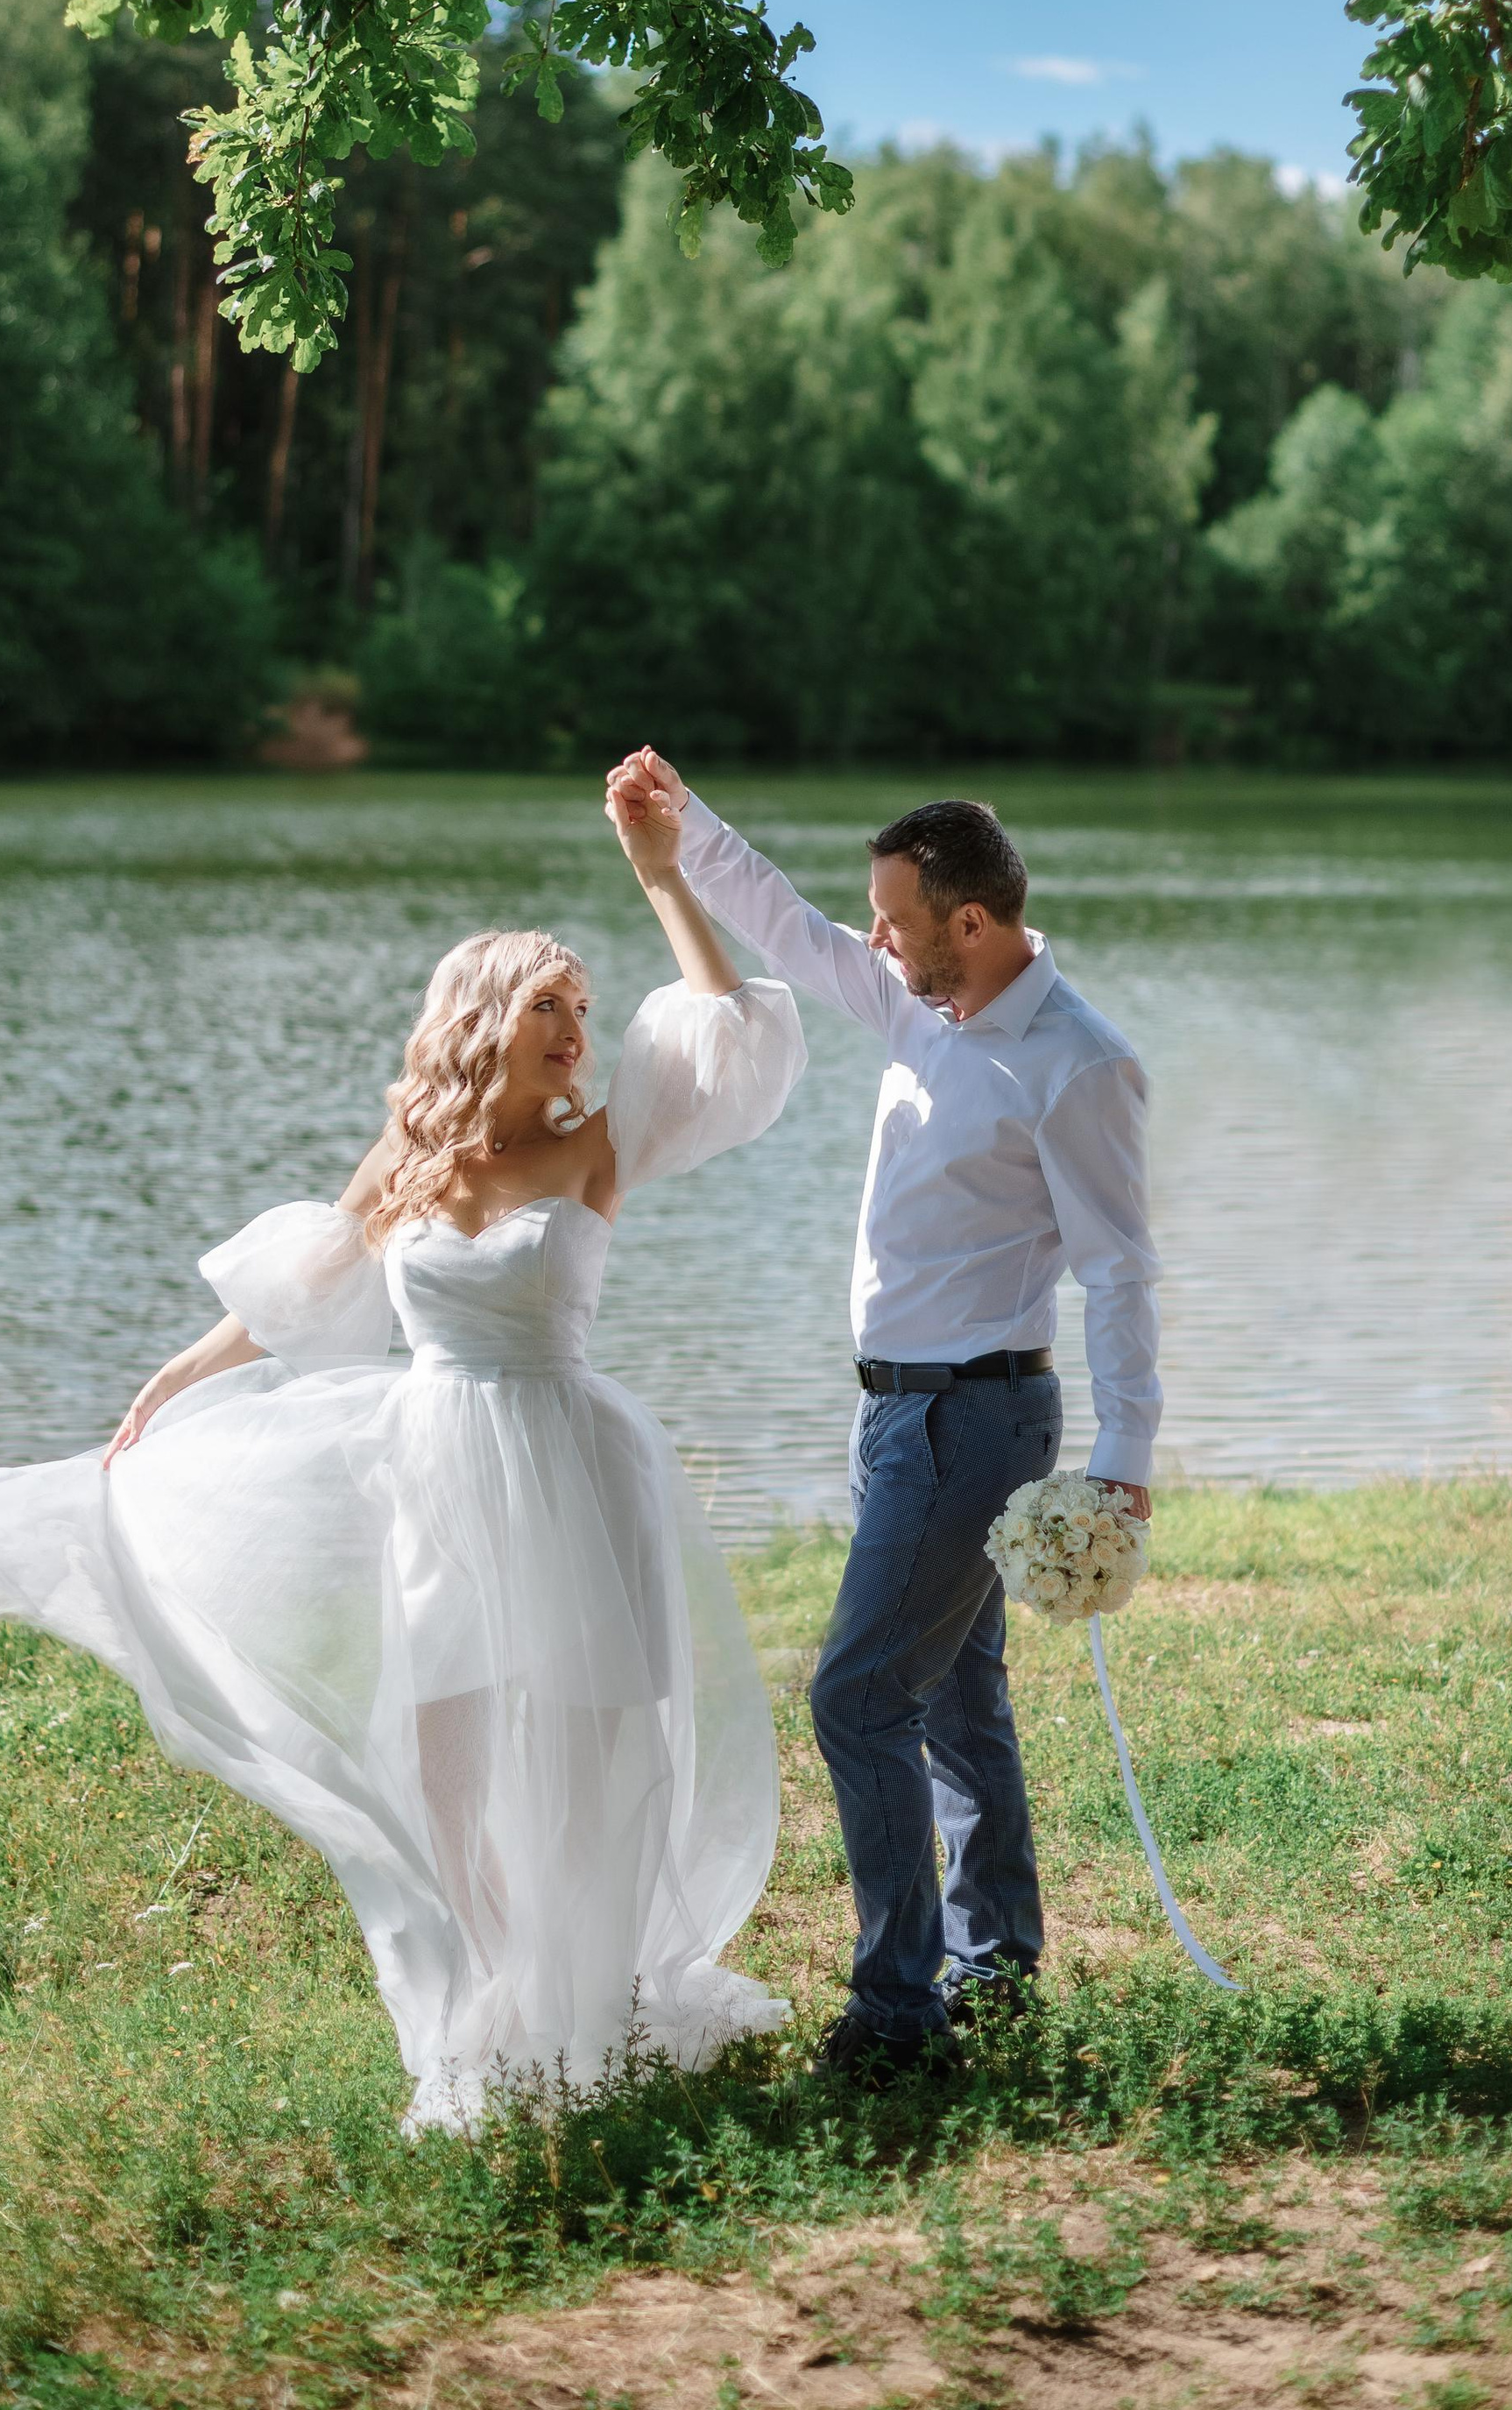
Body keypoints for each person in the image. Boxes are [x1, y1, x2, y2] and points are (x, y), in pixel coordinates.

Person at [0, 815, 806, 2134]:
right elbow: (304, 1288)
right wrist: (174, 1376)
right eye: (548, 1004)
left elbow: (724, 1029)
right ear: (482, 1017)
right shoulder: (412, 1164)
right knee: (448, 1770)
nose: (575, 1028)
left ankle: (593, 2010)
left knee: (597, 1753)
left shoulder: (598, 1147)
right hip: (438, 1475)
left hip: (569, 1462)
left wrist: (664, 875)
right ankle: (501, 1993)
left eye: (582, 1007)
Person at [603, 750, 1161, 2085]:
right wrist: (684, 825)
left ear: (969, 920)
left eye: (896, 918)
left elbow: (1120, 1273)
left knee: (857, 1698)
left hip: (978, 1421)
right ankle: (995, 1964)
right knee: (955, 1699)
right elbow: (787, 924)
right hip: (898, 1419)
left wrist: (1124, 1460)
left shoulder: (1076, 1064)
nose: (875, 938)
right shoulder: (923, 1005)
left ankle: (900, 2017)